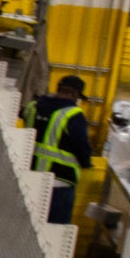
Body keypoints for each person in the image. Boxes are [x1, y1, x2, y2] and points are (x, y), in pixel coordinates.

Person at [30, 74, 94, 225]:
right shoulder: (73, 115)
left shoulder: (33, 107)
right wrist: (86, 163)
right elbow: (82, 146)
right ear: (75, 94)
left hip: (29, 178)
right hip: (59, 183)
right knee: (53, 232)